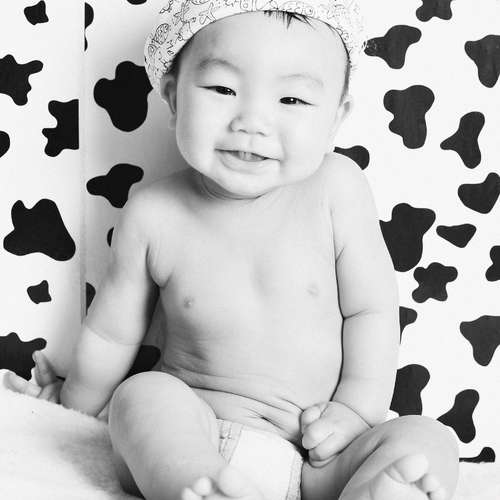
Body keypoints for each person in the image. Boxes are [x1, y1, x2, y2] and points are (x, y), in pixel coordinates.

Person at [5, 1, 460, 499]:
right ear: (174, 97)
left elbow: (372, 310)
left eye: (292, 99)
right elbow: (111, 333)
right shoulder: (153, 213)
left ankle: (379, 490)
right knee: (142, 397)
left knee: (428, 438)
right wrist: (72, 405)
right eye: (223, 89)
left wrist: (355, 411)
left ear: (336, 118)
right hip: (194, 431)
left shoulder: (338, 189)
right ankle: (195, 483)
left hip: (319, 456)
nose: (252, 121)